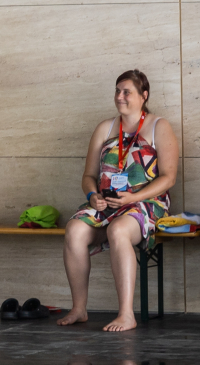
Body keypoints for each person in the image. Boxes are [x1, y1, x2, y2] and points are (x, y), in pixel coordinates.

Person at [59, 70, 178, 333]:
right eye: (117, 91)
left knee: (118, 229)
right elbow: (88, 176)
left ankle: (126, 314)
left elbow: (169, 178)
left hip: (146, 203)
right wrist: (92, 196)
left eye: (126, 92)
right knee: (74, 229)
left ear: (144, 96)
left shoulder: (159, 126)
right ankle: (79, 308)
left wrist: (134, 197)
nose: (120, 97)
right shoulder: (105, 127)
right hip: (106, 204)